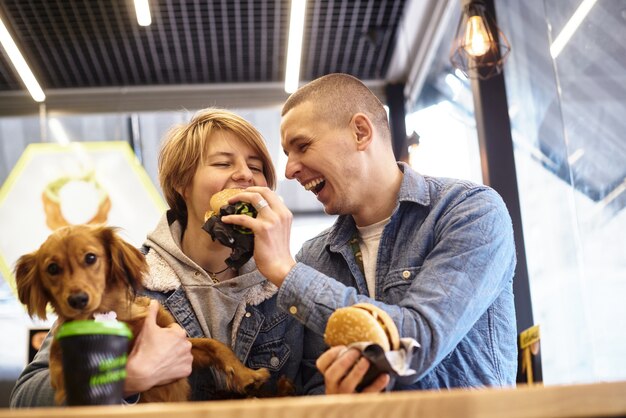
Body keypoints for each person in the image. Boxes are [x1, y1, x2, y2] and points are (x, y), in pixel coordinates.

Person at [223, 73, 518, 394]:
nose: (289, 170)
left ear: (360, 132)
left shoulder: (469, 211)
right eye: (287, 154)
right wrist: (334, 397)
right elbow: (315, 386)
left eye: (302, 146)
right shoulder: (314, 256)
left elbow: (414, 345)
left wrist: (286, 273)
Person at [10, 108, 325, 407]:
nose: (244, 174)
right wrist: (125, 380)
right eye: (223, 163)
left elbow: (318, 388)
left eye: (255, 167)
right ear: (182, 184)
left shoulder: (288, 282)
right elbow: (25, 398)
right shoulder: (124, 280)